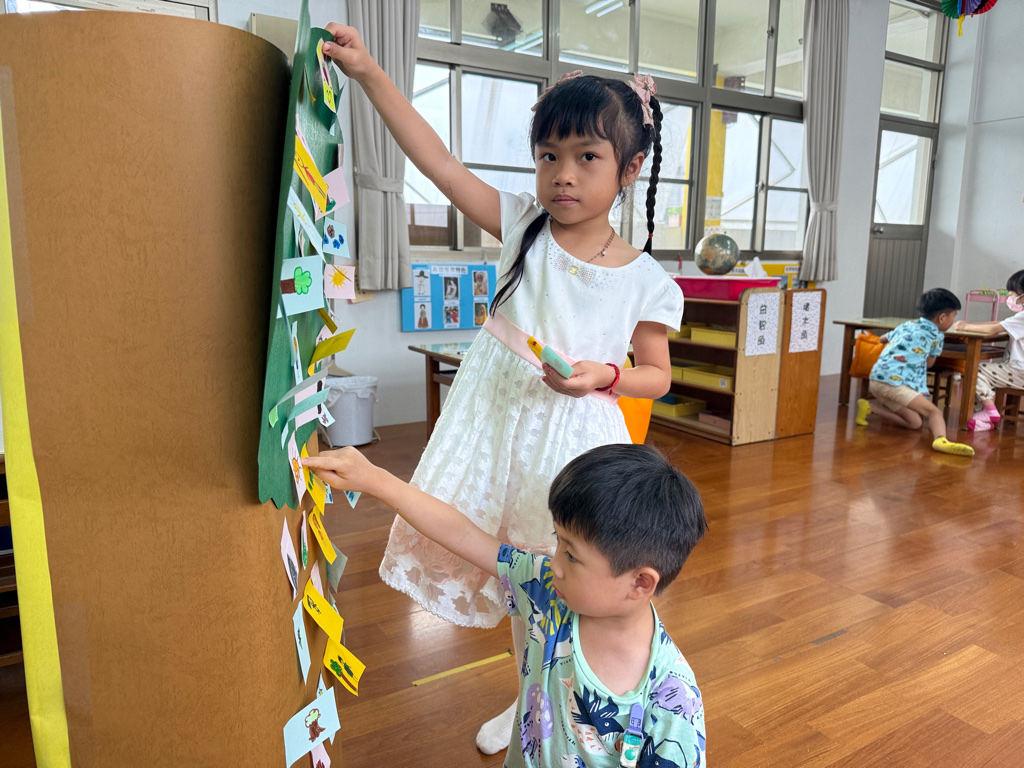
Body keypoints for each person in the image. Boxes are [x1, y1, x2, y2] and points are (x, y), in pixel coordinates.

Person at [322, 24, 683, 753]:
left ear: (631, 167)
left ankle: (544, 697)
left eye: (587, 157)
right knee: (517, 575)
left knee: (559, 572)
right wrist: (369, 74)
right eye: (549, 156)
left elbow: (658, 375)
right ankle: (528, 694)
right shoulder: (524, 224)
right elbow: (437, 162)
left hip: (572, 437)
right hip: (492, 423)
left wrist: (604, 376)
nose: (563, 175)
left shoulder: (646, 278)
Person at [303, 443, 707, 768]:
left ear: (640, 583)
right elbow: (465, 536)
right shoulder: (548, 591)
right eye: (559, 542)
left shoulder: (673, 701)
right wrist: (376, 480)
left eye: (572, 555)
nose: (554, 563)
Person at [855, 288, 974, 456]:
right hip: (894, 384)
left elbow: (882, 339)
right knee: (934, 412)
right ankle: (941, 440)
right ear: (942, 318)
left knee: (915, 423)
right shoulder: (937, 336)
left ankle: (869, 407)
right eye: (954, 316)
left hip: (876, 380)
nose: (953, 321)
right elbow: (930, 364)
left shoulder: (907, 325)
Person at [952, 270, 1024, 431]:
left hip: (1020, 372)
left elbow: (993, 329)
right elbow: (999, 323)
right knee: (981, 372)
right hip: (1019, 370)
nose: (1010, 298)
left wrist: (965, 327)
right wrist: (970, 324)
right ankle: (983, 414)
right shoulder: (1020, 317)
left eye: (1012, 294)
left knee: (973, 369)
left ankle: (989, 411)